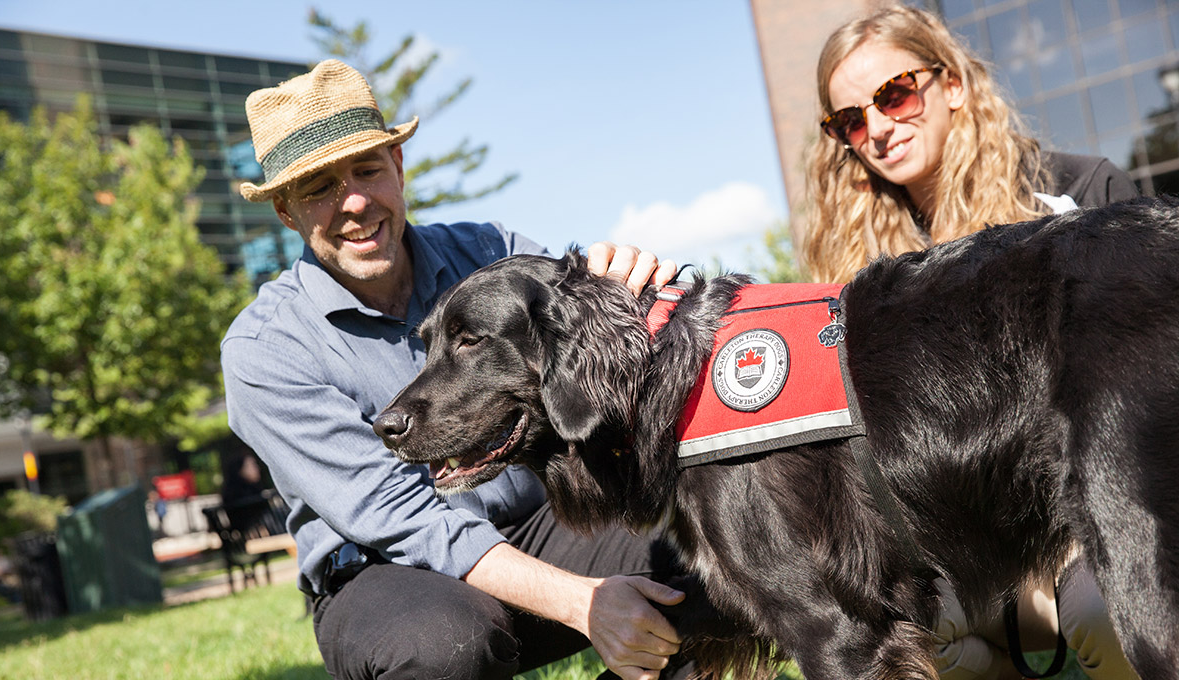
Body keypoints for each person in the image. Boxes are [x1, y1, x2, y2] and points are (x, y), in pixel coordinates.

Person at [220, 59, 691, 680]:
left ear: (399, 168)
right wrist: (586, 603)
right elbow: (402, 518)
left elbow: (592, 343)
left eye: (367, 170)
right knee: (445, 643)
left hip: (545, 524)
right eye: (319, 187)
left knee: (702, 537)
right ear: (285, 211)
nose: (354, 202)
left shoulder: (490, 251)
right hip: (388, 576)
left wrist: (623, 281)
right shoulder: (264, 349)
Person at [803, 6, 1139, 680]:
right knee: (889, 629)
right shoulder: (853, 274)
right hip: (966, 547)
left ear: (951, 83)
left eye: (893, 94)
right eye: (851, 121)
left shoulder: (1082, 195)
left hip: (1087, 515)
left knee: (1103, 614)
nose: (878, 130)